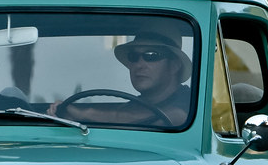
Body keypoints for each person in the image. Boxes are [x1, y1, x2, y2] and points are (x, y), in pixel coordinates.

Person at [49, 28, 193, 126]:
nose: (139, 64)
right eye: (134, 56)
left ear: (174, 65)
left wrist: (82, 113)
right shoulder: (132, 106)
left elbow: (171, 117)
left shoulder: (190, 104)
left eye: (151, 56)